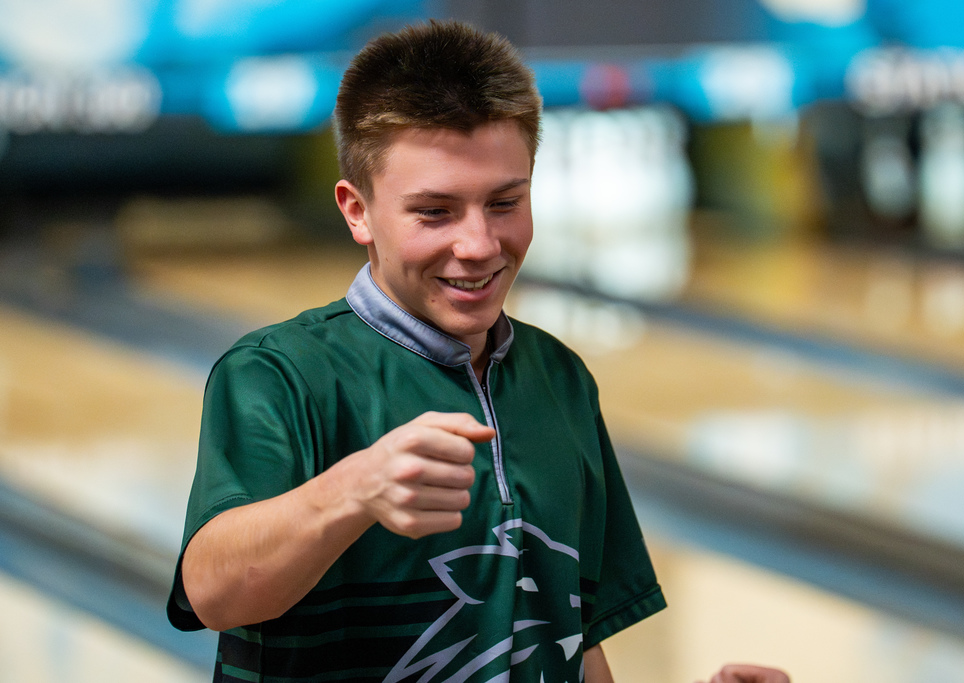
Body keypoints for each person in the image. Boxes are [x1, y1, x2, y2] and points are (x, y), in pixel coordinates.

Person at [167, 18, 790, 683]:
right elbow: (213, 589)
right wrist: (354, 488)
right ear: (358, 211)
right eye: (435, 211)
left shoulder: (560, 378)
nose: (480, 244)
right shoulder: (277, 374)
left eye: (504, 201)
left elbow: (567, 639)